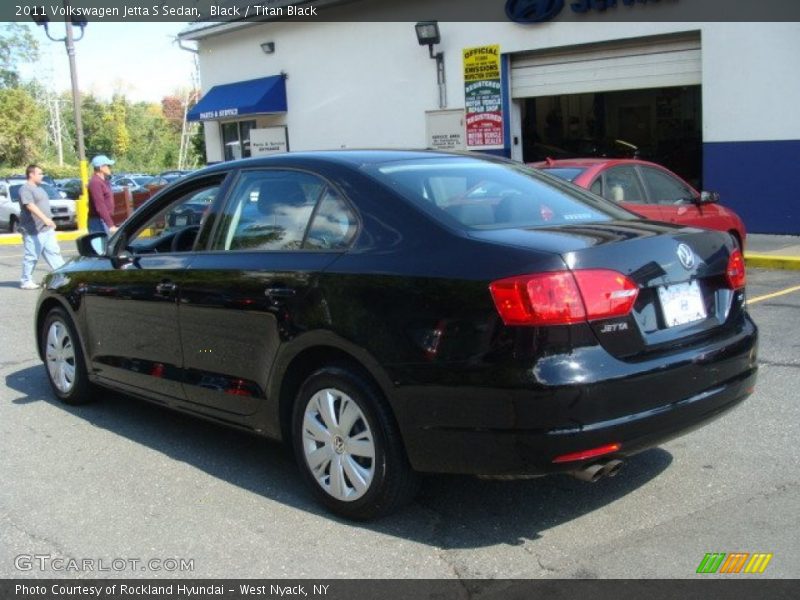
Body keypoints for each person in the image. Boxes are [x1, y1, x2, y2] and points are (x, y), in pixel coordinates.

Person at [19, 164, 65, 290]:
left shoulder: (40, 188)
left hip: (46, 229)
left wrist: (48, 220)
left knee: (54, 253)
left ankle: (63, 276)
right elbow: (30, 205)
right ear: (31, 174)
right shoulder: (25, 189)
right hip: (33, 230)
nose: (42, 175)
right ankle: (26, 280)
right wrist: (45, 219)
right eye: (39, 173)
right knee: (32, 256)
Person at [87, 154, 118, 234]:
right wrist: (110, 225)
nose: (110, 168)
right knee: (101, 242)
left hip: (104, 220)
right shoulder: (95, 182)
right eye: (108, 166)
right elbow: (100, 206)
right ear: (101, 168)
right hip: (98, 222)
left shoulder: (103, 181)